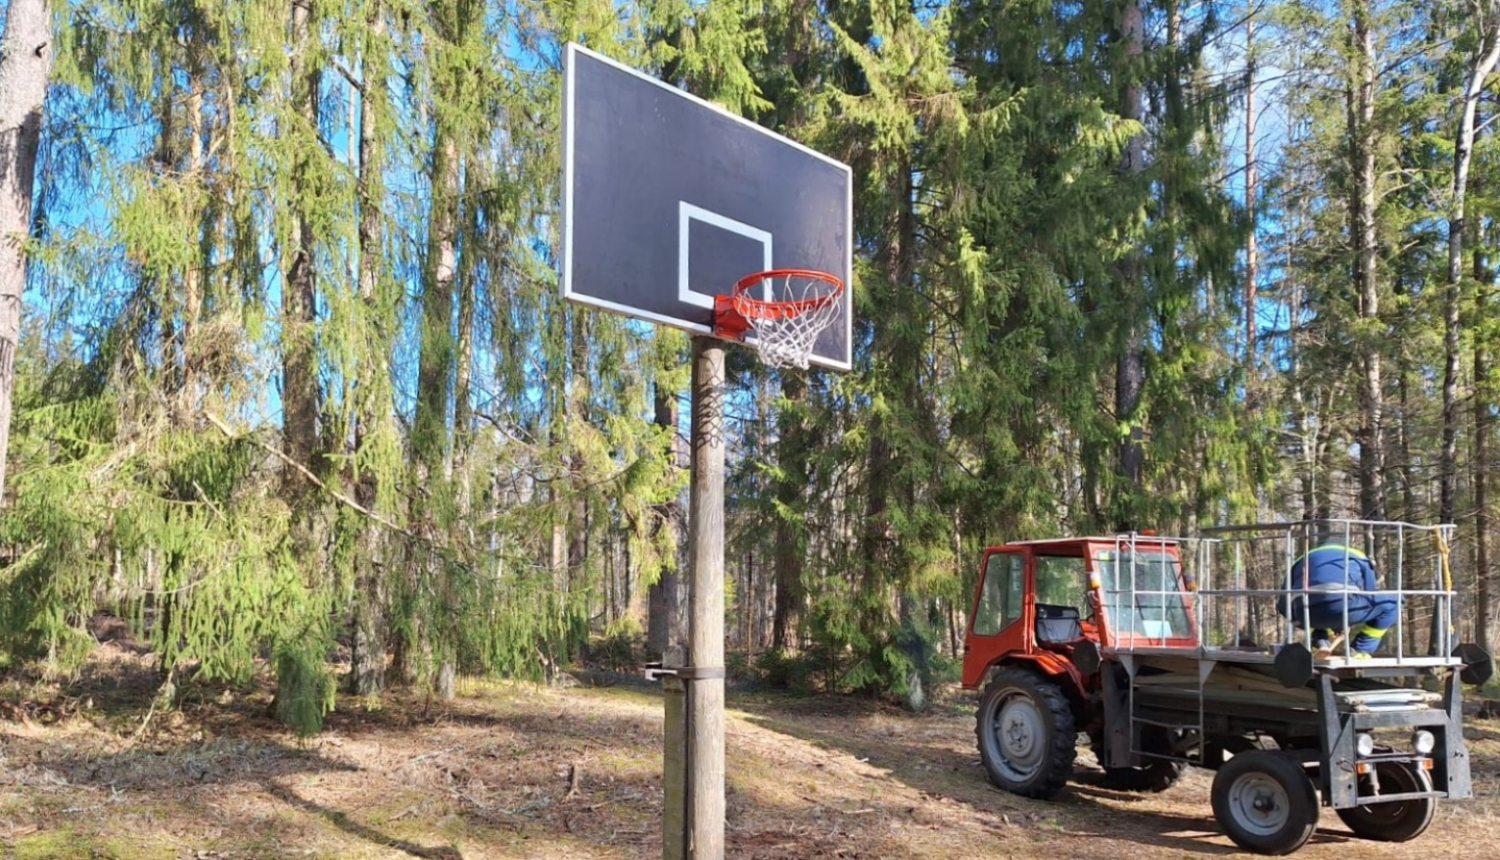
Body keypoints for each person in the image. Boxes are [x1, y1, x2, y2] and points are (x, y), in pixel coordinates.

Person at [1277, 543, 1398, 659]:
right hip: (1342, 606)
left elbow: (1283, 602)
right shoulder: (1358, 555)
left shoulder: (1302, 559)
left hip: (1304, 613)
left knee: (1311, 609)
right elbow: (1370, 591)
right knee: (1395, 601)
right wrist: (1345, 621)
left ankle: (1320, 640)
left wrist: (1297, 620)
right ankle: (1360, 650)